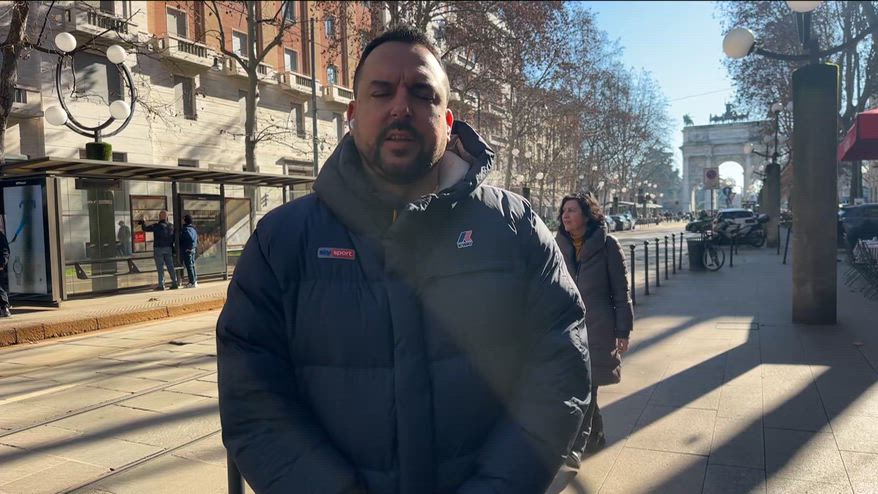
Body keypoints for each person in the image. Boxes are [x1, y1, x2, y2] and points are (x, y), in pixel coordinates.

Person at [217, 26, 591, 494]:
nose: (401, 106)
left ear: (448, 121)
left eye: (422, 93)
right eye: (381, 92)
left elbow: (560, 368)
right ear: (352, 115)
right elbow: (253, 402)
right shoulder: (281, 240)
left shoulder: (514, 225)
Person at [555, 192, 634, 467]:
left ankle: (577, 445)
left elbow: (621, 293)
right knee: (577, 385)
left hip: (599, 328)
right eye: (564, 211)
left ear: (587, 216)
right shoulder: (556, 246)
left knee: (589, 385)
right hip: (567, 328)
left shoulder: (608, 245)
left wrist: (623, 331)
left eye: (572, 210)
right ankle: (596, 435)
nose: (565, 215)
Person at [139, 210, 178, 290]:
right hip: (168, 248)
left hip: (158, 248)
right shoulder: (171, 226)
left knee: (160, 268)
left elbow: (145, 228)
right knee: (170, 266)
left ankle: (161, 285)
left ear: (160, 217)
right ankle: (175, 283)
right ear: (167, 217)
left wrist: (143, 222)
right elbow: (174, 238)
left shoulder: (156, 226)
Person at [180, 214, 198, 288]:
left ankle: (192, 282)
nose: (181, 221)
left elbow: (190, 238)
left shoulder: (186, 229)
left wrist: (189, 247)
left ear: (185, 220)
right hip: (192, 249)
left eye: (183, 219)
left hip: (188, 250)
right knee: (192, 265)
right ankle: (194, 280)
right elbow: (196, 239)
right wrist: (193, 247)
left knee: (189, 266)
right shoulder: (193, 229)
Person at [0, 230, 10, 317]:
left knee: (0, 287)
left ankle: (4, 307)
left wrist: (2, 264)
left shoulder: (1, 236)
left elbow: (5, 251)